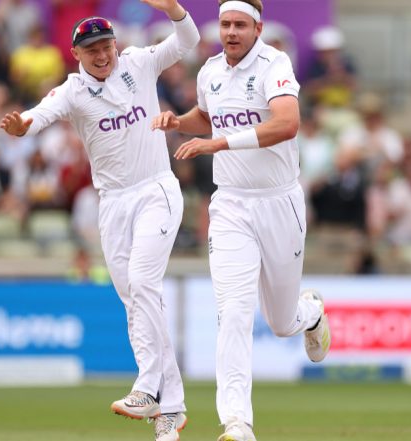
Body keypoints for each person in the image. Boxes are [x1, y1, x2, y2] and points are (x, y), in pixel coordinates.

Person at [0, 2, 199, 440]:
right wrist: (21, 126)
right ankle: (173, 408)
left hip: (156, 190)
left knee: (145, 285)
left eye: (107, 45)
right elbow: (39, 114)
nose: (102, 55)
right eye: (92, 50)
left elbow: (189, 42)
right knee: (136, 301)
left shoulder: (139, 63)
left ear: (116, 44)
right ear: (77, 54)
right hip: (113, 204)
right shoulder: (72, 90)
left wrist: (174, 9)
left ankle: (147, 388)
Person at [150, 1, 331, 440]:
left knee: (281, 321)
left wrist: (218, 145)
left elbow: (287, 124)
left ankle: (311, 314)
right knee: (232, 312)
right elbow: (207, 118)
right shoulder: (210, 70)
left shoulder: (275, 63)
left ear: (257, 28)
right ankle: (237, 423)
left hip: (279, 202)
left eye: (240, 25)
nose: (231, 32)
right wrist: (180, 122)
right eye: (226, 25)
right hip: (230, 205)